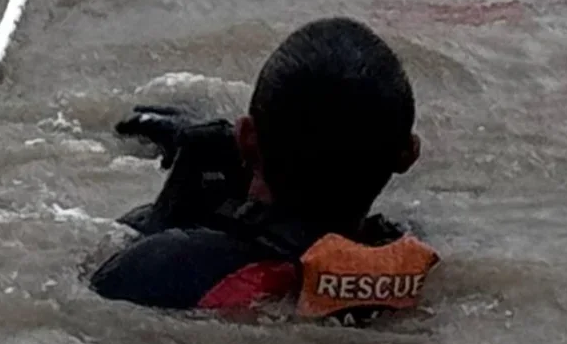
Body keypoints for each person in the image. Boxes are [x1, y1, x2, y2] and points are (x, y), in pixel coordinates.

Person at [93, 17, 437, 317]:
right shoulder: (415, 265)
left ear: (245, 138)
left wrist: (171, 206)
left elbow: (102, 279)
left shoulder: (168, 267)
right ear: (408, 155)